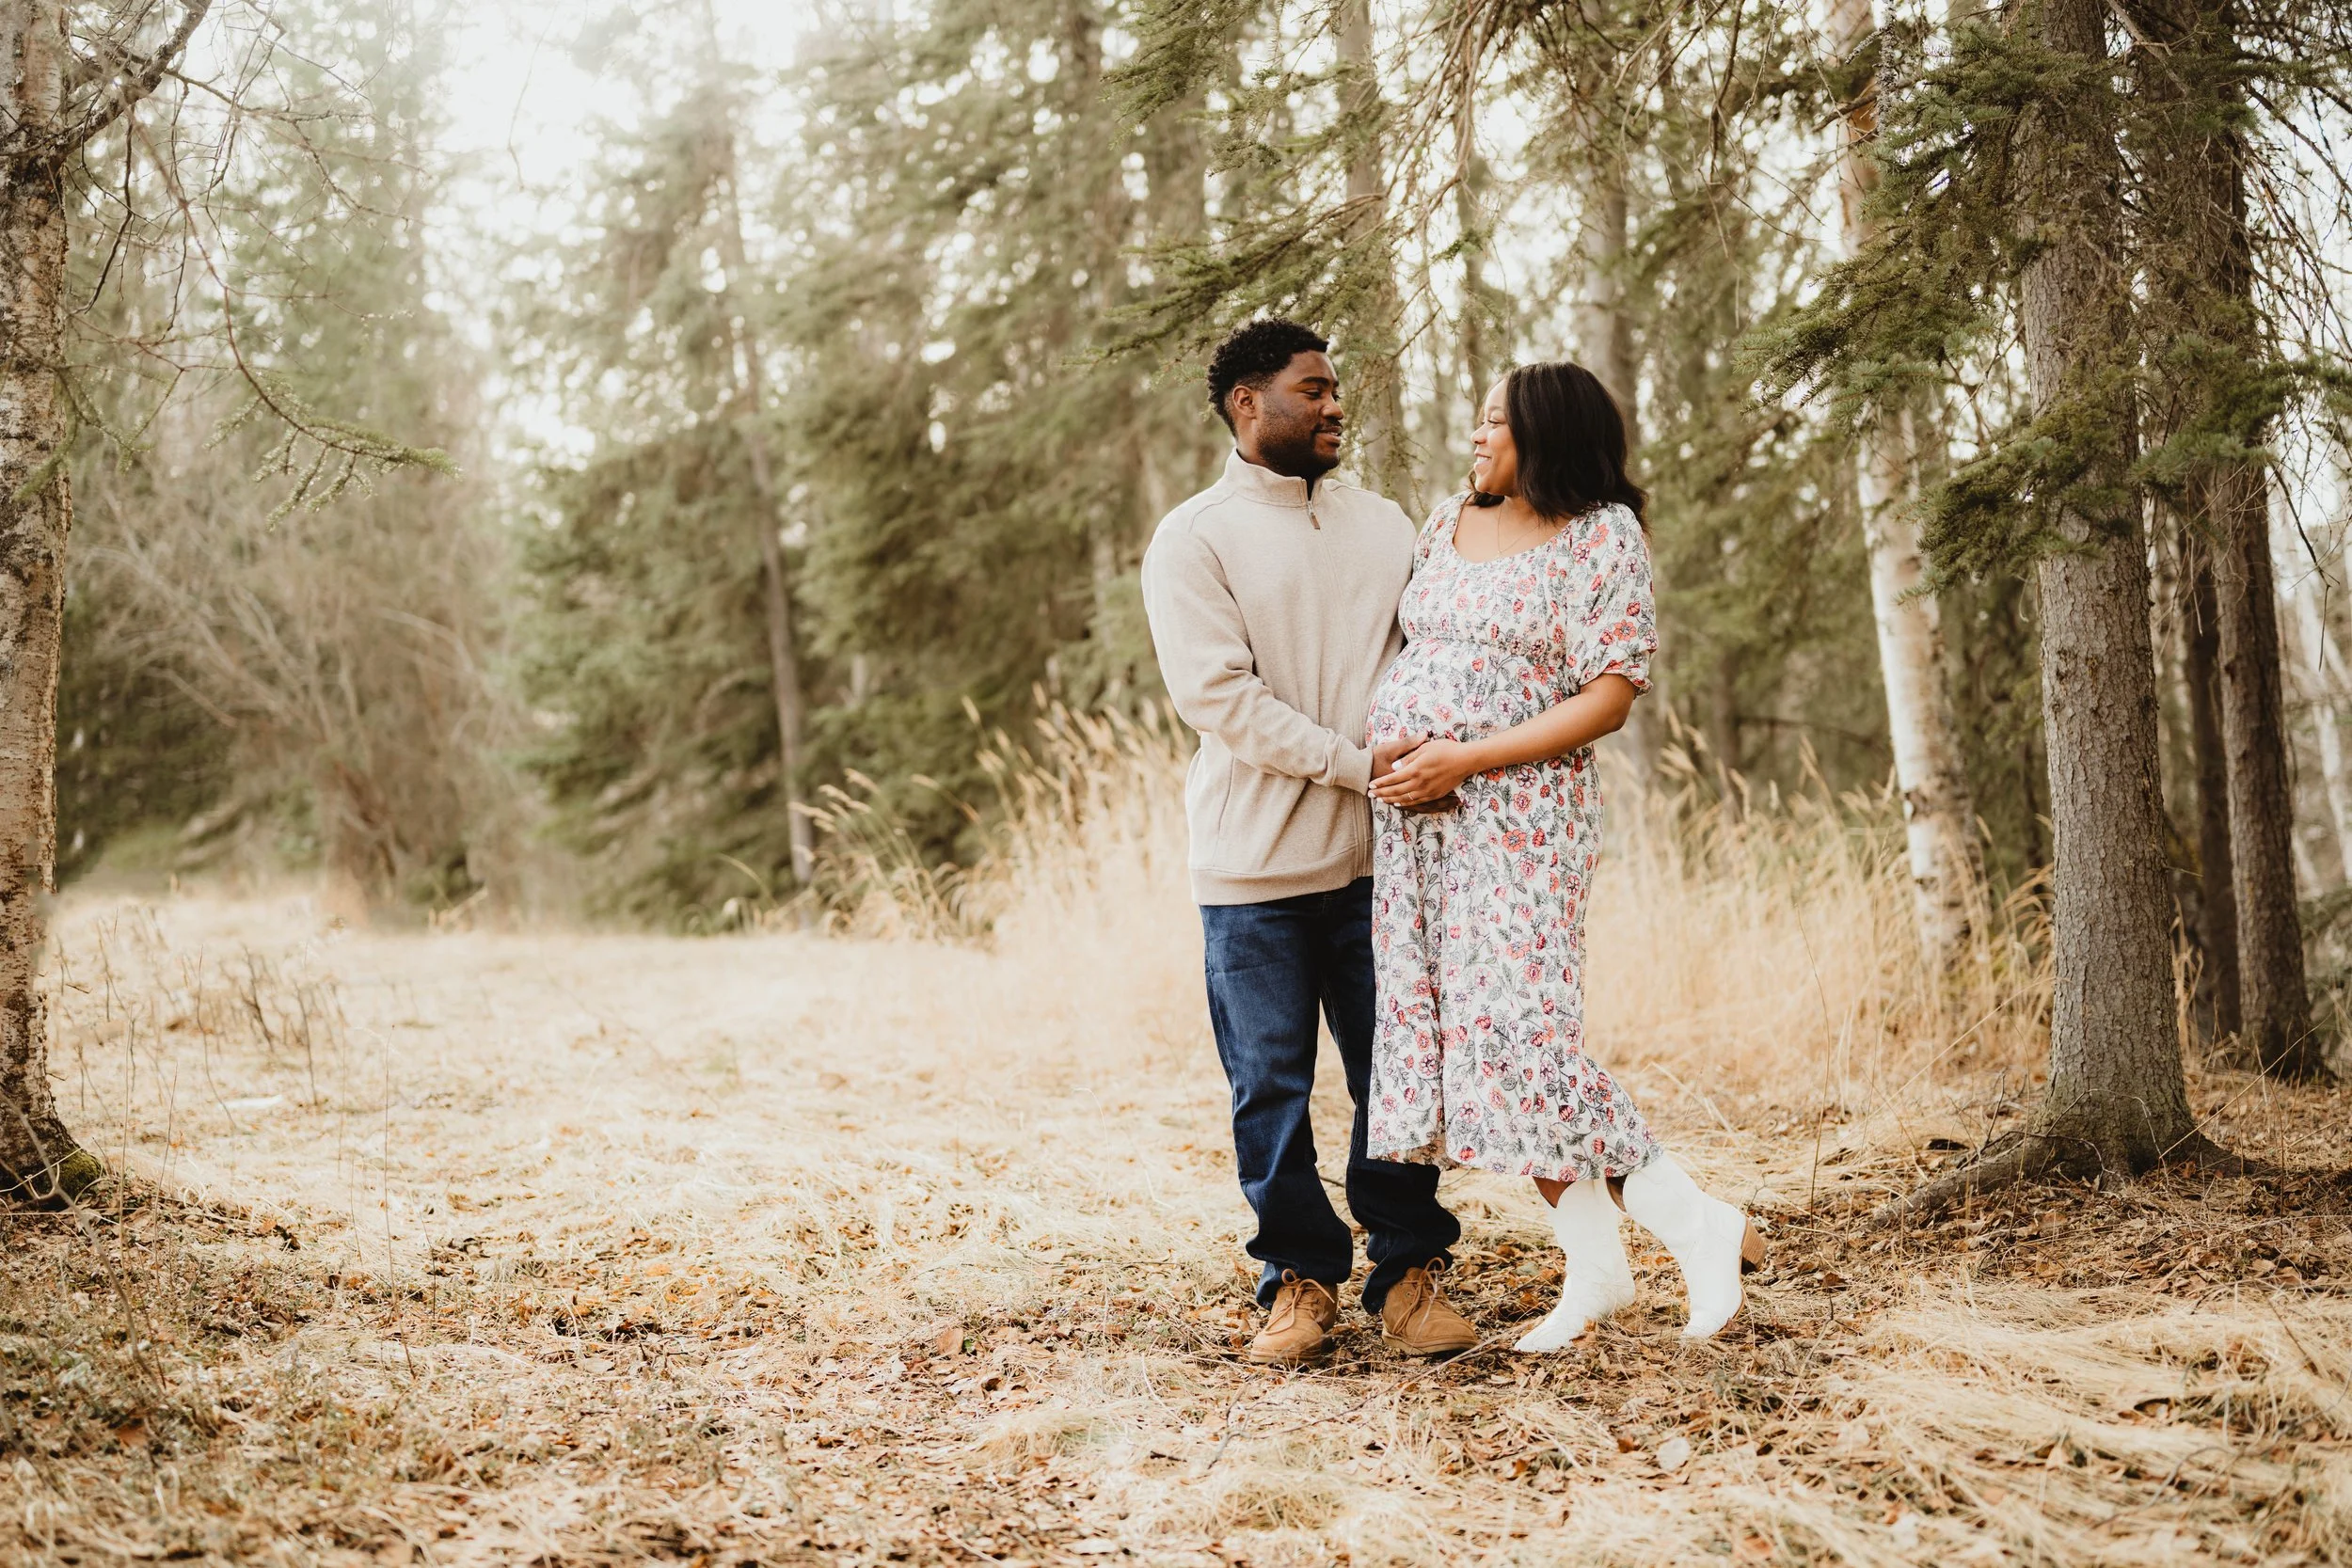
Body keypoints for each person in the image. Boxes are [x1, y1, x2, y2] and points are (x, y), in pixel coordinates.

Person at [1363, 362, 1763, 1349]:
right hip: (1422, 830)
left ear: (1545, 435)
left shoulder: (1598, 535)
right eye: (1477, 419)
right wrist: (1410, 758)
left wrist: (1469, 753)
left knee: (1527, 1040)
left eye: (1495, 422)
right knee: (1473, 1048)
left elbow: (1610, 692)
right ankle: (1595, 1271)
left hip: (1523, 819)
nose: (1476, 437)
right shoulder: (1442, 521)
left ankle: (1697, 1225)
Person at [1140, 319, 1478, 1367]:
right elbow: (1219, 699)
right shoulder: (1192, 537)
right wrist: (1358, 764)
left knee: (1398, 1076)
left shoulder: (1384, 524)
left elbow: (1435, 654)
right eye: (1314, 389)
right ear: (1248, 402)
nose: (1337, 406)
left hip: (1384, 863)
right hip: (1252, 871)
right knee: (1269, 1087)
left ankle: (1409, 1270)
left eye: (1337, 390)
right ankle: (1297, 1277)